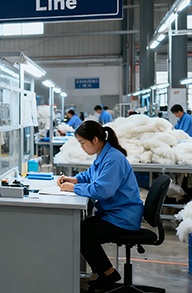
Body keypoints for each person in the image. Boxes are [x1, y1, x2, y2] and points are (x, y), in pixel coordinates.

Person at [56, 121, 143, 290]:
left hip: (123, 218)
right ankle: (105, 272)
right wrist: (74, 179)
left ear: (95, 139)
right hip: (114, 213)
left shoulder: (113, 159)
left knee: (81, 233)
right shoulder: (104, 154)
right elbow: (91, 174)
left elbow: (102, 191)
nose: (82, 147)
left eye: (83, 143)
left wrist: (73, 188)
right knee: (77, 229)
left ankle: (109, 274)